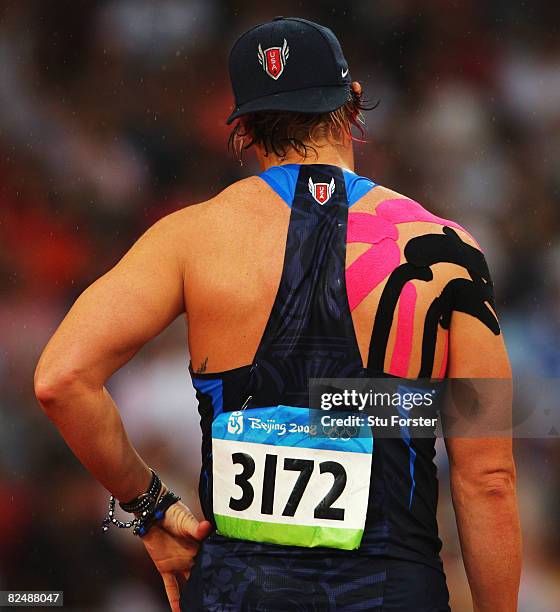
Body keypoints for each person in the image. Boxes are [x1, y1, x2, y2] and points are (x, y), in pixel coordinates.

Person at [35, 16, 521, 612]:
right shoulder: (448, 253)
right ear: (355, 101)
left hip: (239, 595)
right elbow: (489, 478)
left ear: (241, 129)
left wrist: (151, 508)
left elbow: (60, 379)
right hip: (394, 593)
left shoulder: (191, 239)